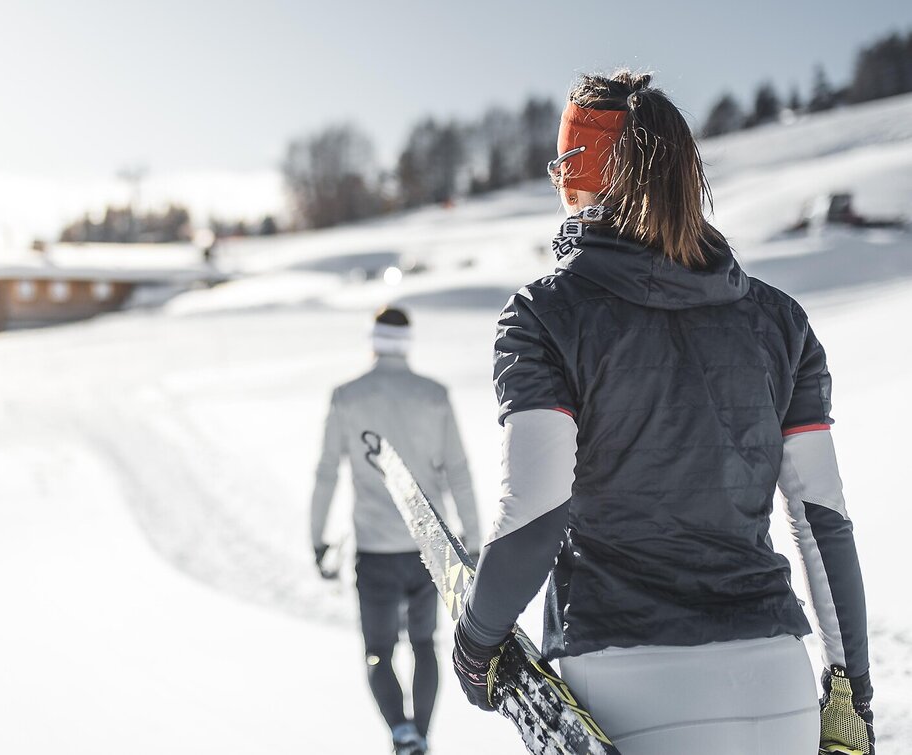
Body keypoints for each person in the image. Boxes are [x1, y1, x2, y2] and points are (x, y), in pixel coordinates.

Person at [451, 70, 875, 755]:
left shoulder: (544, 313)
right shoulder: (779, 320)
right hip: (777, 689)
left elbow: (536, 508)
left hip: (628, 684)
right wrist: (851, 683)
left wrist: (477, 640)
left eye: (563, 166)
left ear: (581, 175)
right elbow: (820, 516)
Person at [312, 306, 481, 755]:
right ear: (407, 343)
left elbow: (327, 472)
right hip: (430, 548)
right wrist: (474, 539)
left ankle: (401, 734)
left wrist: (317, 538)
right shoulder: (434, 395)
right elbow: (459, 472)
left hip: (375, 550)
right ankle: (422, 734)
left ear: (373, 339)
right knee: (425, 643)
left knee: (378, 652)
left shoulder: (346, 396)